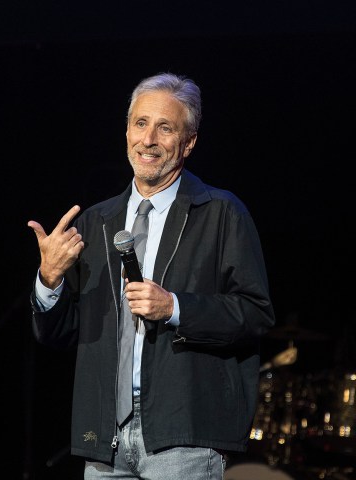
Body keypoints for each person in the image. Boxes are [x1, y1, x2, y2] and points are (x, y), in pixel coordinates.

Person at [28, 72, 276, 480]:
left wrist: (175, 307)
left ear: (189, 142)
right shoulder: (97, 222)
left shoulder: (221, 213)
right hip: (104, 435)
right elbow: (62, 332)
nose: (148, 140)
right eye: (140, 124)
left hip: (183, 432)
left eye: (165, 127)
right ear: (126, 131)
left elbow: (255, 313)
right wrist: (49, 280)